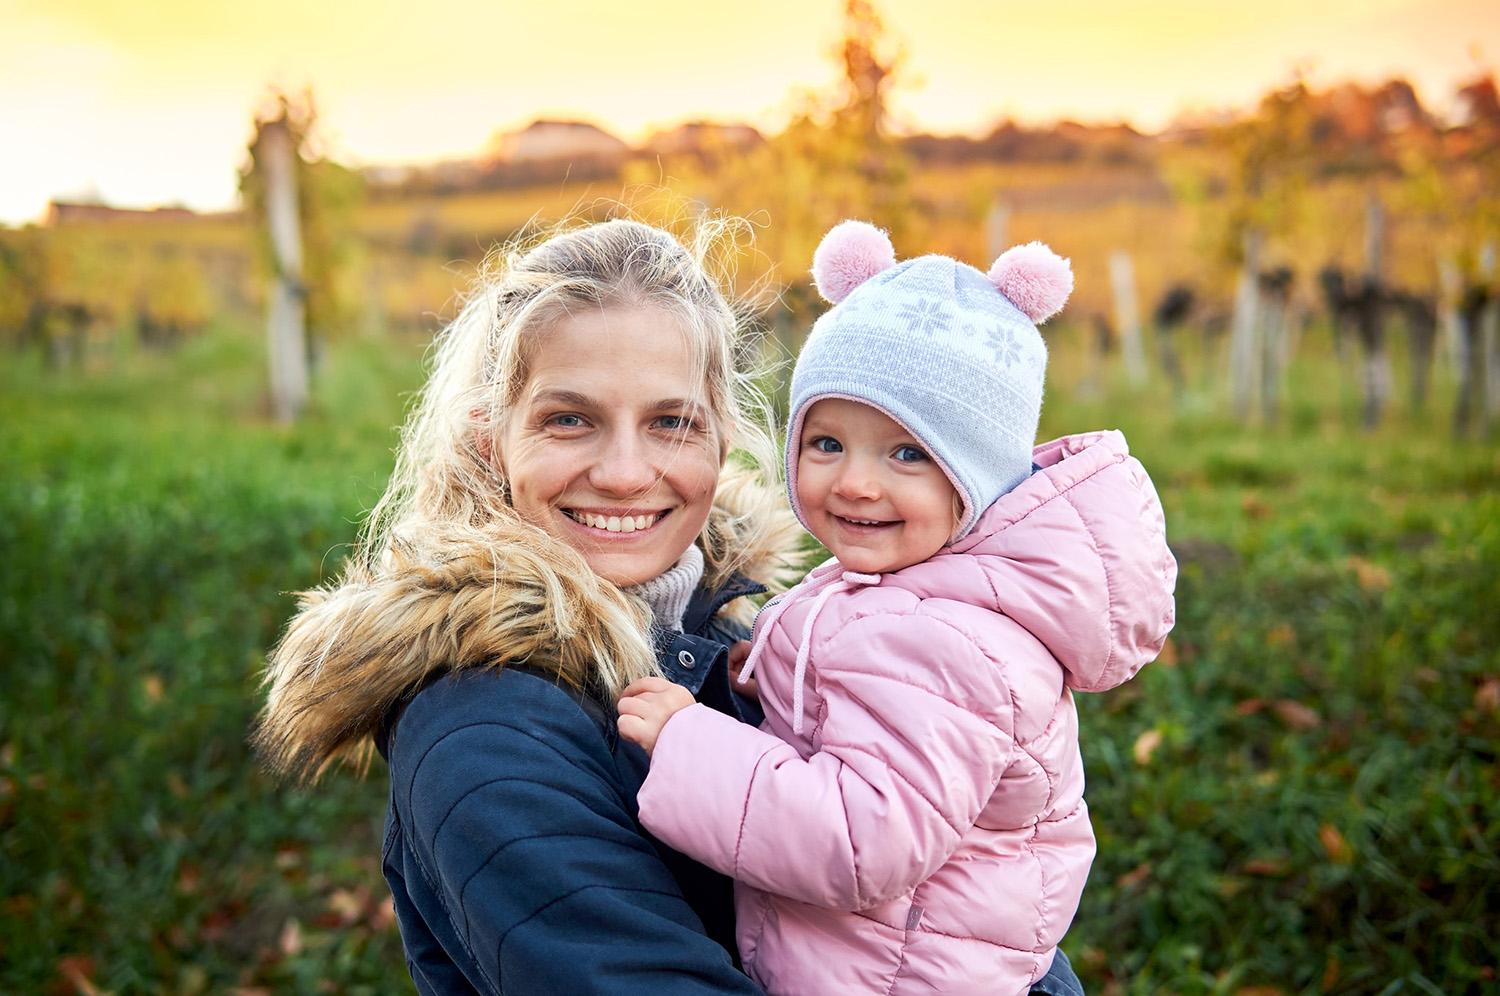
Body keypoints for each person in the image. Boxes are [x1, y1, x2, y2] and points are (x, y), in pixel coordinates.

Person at [253, 217, 1090, 995]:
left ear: (722, 440)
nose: (624, 472)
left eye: (670, 423)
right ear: (490, 444)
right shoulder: (487, 733)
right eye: (570, 420)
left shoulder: (741, 640)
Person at [617, 220, 1177, 995]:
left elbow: (859, 841)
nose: (855, 483)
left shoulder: (945, 640)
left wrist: (689, 743)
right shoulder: (919, 586)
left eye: (907, 453)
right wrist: (779, 669)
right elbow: (868, 696)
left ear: (975, 475)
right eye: (827, 444)